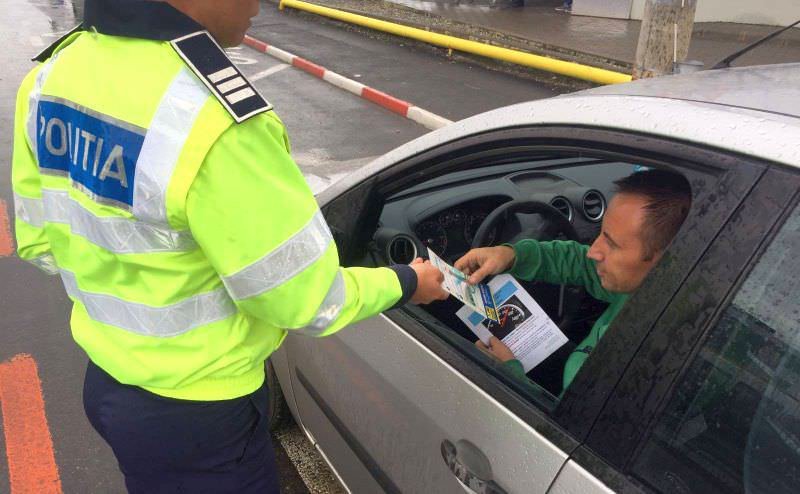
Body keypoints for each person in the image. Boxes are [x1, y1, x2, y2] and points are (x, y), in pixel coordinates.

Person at [11, 0, 448, 492]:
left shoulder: (53, 75)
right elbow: (306, 299)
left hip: (109, 387)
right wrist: (409, 281)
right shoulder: (212, 121)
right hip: (200, 416)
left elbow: (40, 244)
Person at [455, 169, 691, 395]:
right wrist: (511, 255)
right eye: (600, 234)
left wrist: (509, 374)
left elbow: (565, 429)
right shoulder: (650, 287)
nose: (593, 252)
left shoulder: (653, 360)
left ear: (664, 262)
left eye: (612, 244)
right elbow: (580, 264)